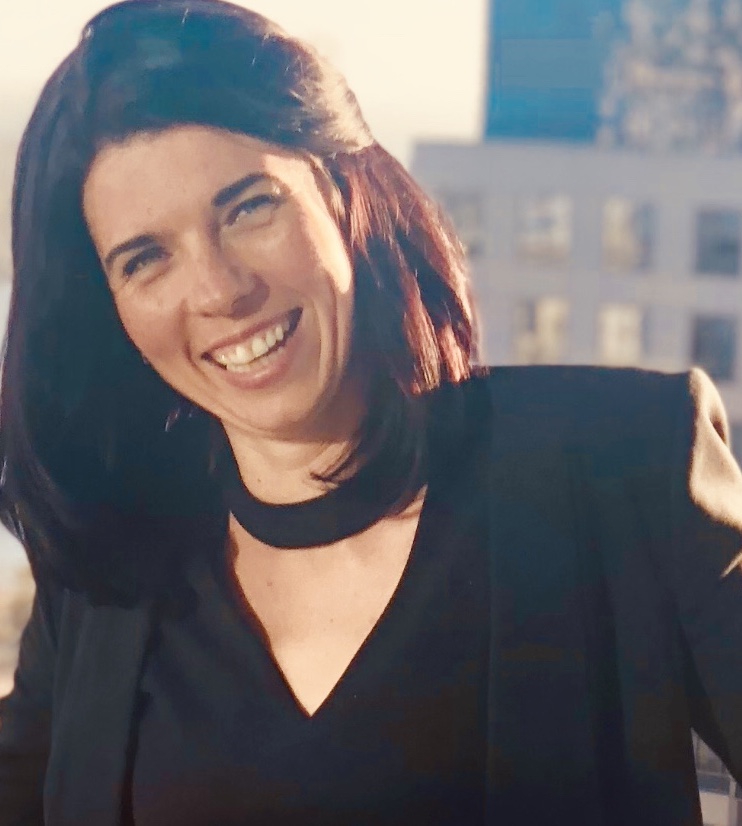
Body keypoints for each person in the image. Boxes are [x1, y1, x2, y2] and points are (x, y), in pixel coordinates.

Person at [1, 1, 742, 823]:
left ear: (342, 189)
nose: (218, 291)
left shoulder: (630, 467)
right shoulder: (105, 576)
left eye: (249, 207)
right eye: (146, 259)